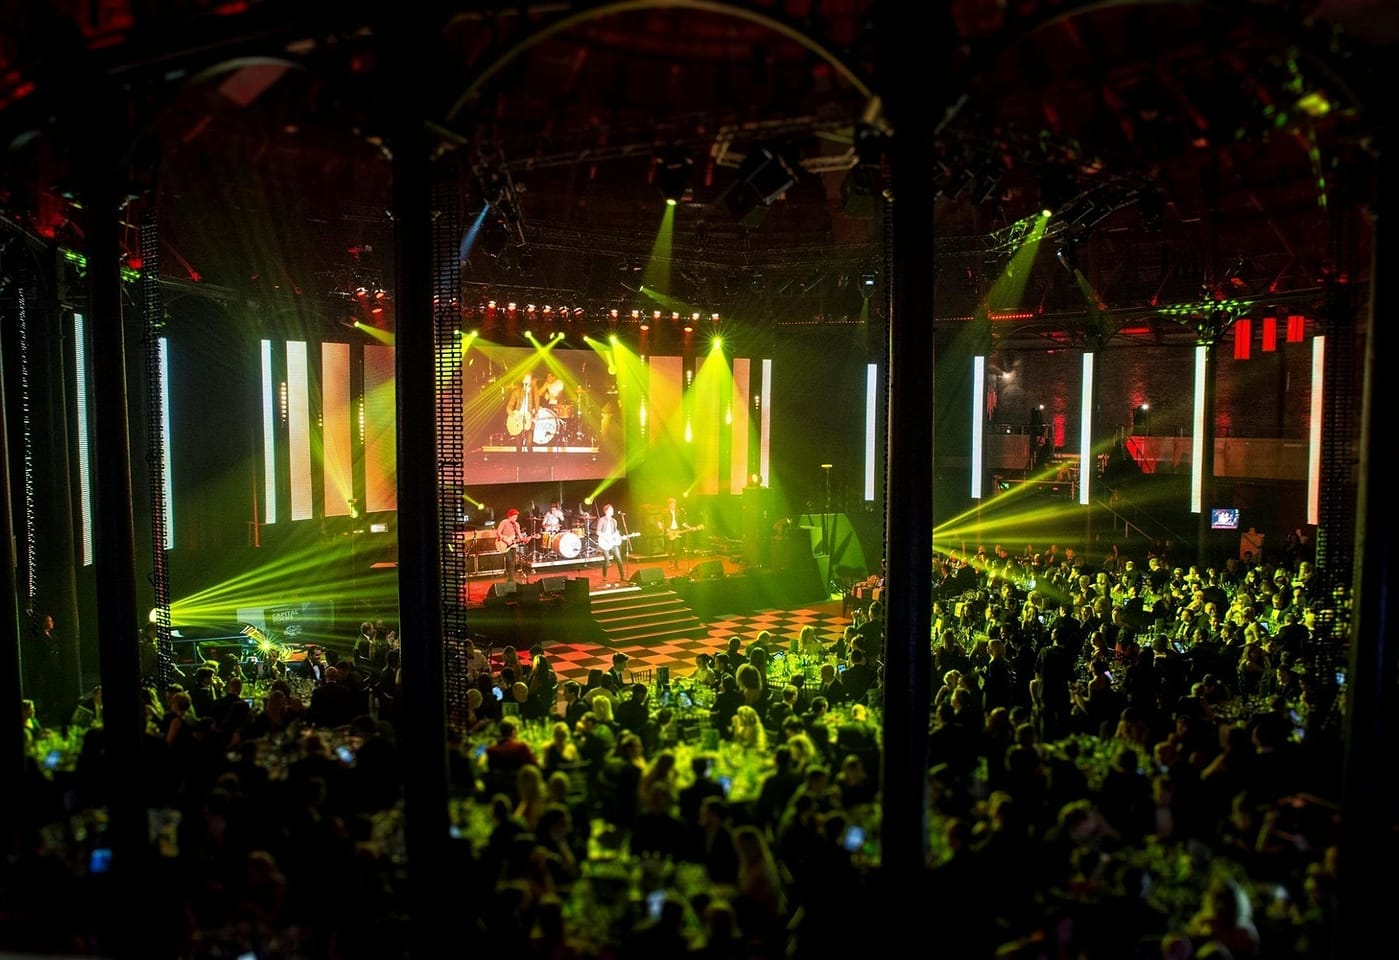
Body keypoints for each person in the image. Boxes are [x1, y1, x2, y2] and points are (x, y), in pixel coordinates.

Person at [596, 503, 628, 584]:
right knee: (607, 561)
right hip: (604, 542)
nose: (613, 511)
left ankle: (622, 576)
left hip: (612, 543)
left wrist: (620, 537)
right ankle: (604, 576)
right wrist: (606, 538)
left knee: (619, 559)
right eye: (611, 510)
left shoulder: (614, 521)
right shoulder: (601, 520)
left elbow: (615, 532)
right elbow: (598, 532)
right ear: (606, 511)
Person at [495, 508, 529, 582]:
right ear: (509, 516)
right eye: (514, 517)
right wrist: (506, 541)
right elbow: (498, 532)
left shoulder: (516, 525)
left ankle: (510, 578)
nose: (515, 519)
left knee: (513, 561)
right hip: (504, 543)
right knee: (510, 561)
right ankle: (510, 578)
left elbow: (519, 536)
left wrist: (525, 539)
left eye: (516, 517)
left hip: (513, 545)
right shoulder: (504, 522)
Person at [505, 376, 533, 450]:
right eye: (527, 379)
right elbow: (508, 407)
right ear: (523, 381)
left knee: (529, 444)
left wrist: (536, 411)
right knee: (518, 444)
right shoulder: (517, 392)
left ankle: (530, 460)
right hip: (518, 419)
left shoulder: (533, 393)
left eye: (530, 379)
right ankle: (519, 460)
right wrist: (514, 415)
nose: (528, 381)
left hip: (529, 419)